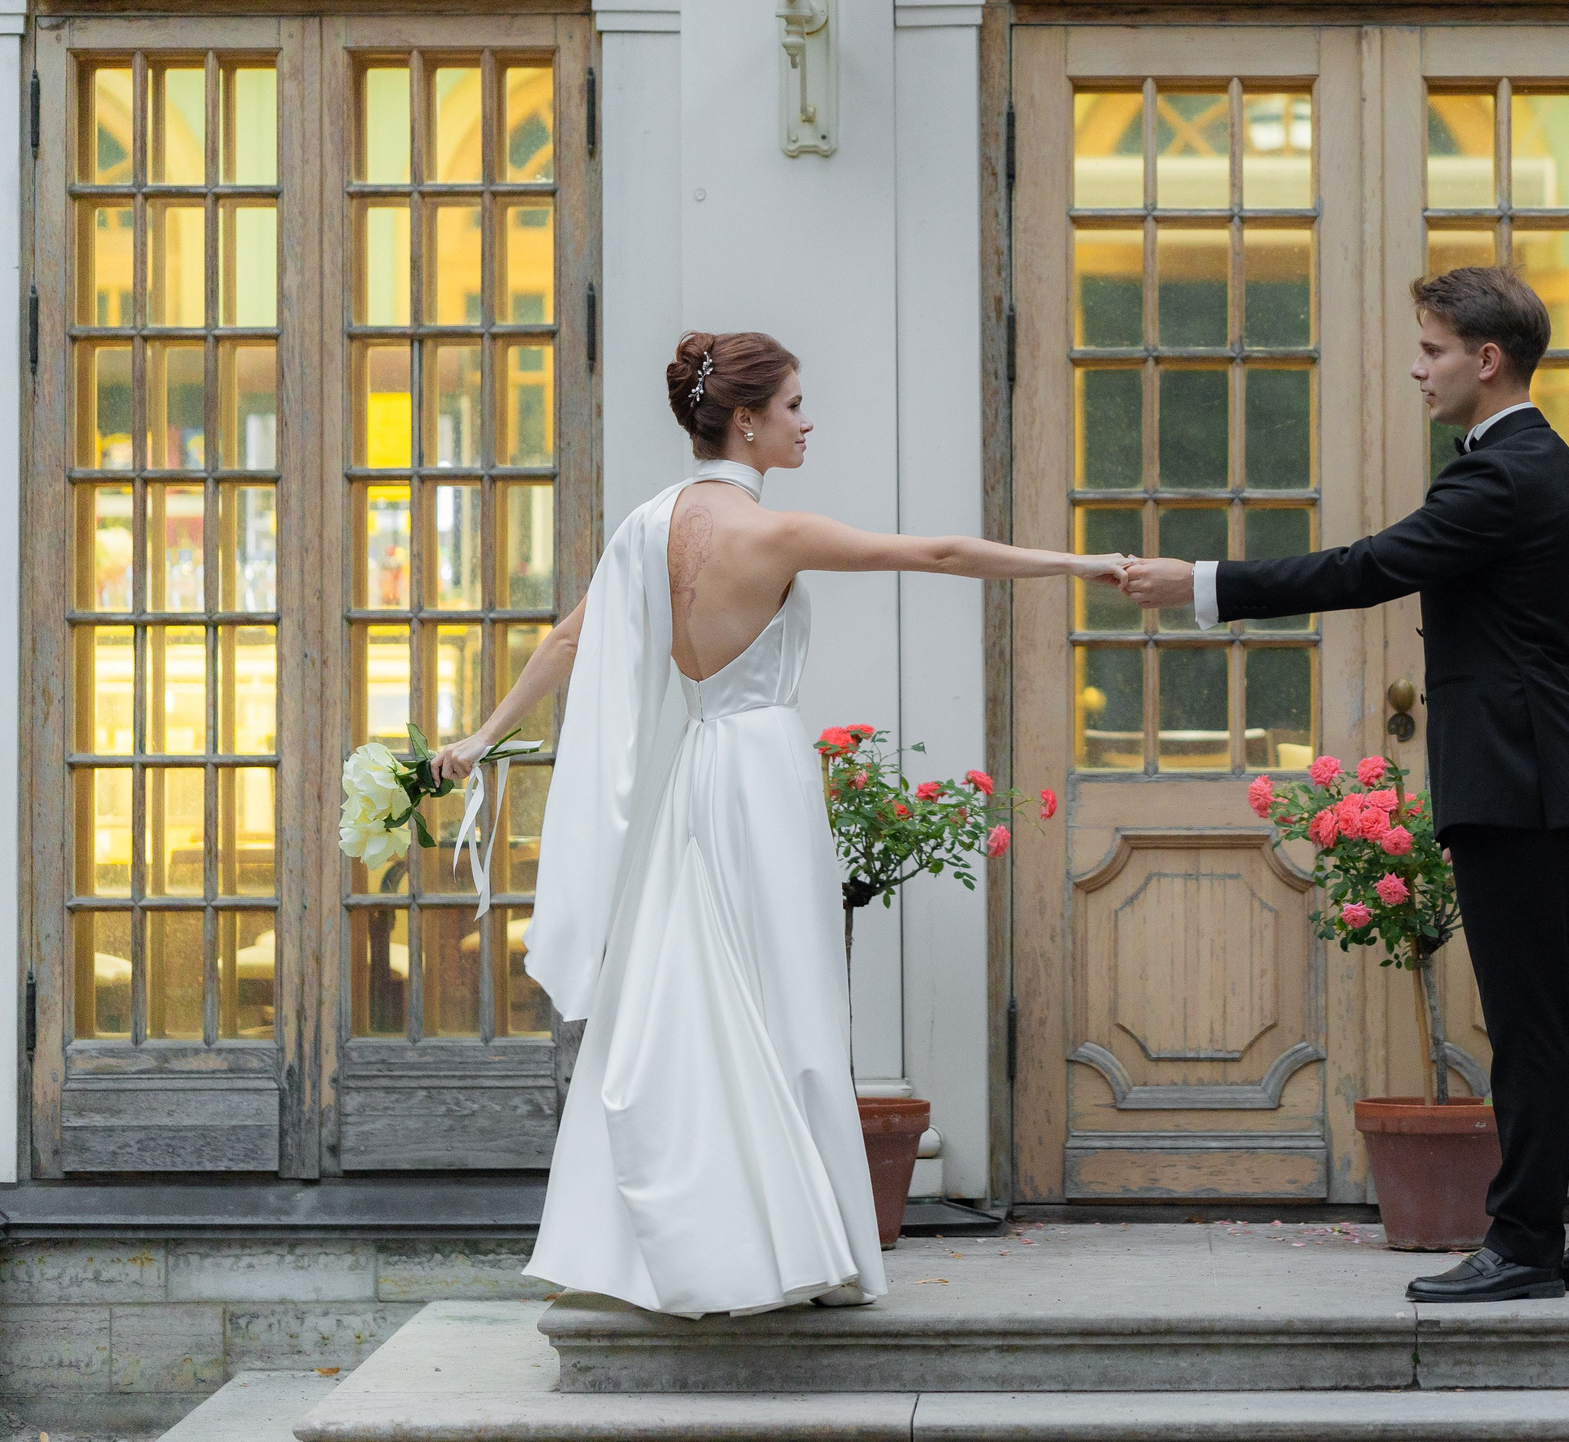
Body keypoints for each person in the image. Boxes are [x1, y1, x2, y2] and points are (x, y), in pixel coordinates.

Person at [433, 330, 1129, 1317]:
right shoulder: (772, 533)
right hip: (760, 771)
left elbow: (568, 639)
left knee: (694, 998)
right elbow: (935, 551)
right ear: (748, 420)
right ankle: (798, 1245)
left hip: (696, 772)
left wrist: (481, 735)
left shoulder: (646, 528)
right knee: (784, 1003)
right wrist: (1084, 563)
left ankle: (705, 1239)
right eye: (795, 405)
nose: (808, 421)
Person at [1120, 267, 1569, 1304]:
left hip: (1516, 778)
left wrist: (1200, 585)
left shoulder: (1499, 477)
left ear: (1485, 359)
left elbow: (1366, 567)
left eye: (1431, 348)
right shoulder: (1539, 465)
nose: (1417, 367)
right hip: (1550, 771)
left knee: (1534, 1021)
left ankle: (1525, 1246)